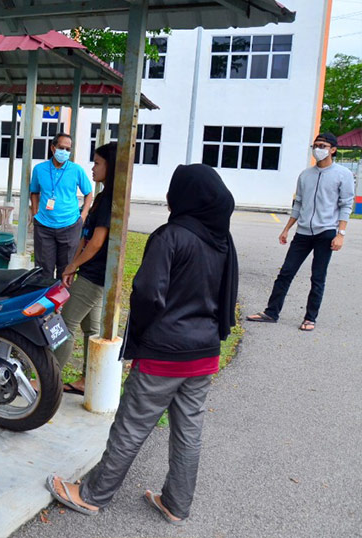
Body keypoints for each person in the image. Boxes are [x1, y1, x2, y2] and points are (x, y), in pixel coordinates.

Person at [46, 164, 238, 526]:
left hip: (165, 353)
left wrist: (145, 336)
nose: (168, 196)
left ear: (184, 196)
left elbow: (148, 293)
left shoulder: (171, 236)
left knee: (131, 427)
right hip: (204, 353)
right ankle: (176, 504)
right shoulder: (221, 240)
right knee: (189, 432)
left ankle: (92, 495)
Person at [246, 133, 353, 331]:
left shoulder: (342, 174)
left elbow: (346, 205)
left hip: (326, 232)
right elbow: (299, 204)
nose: (318, 149)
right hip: (303, 233)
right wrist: (286, 229)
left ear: (333, 149)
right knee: (286, 272)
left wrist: (341, 234)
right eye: (315, 145)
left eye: (322, 146)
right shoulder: (305, 175)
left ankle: (310, 318)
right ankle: (271, 312)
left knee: (317, 277)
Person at [54, 142, 117, 396]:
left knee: (65, 325)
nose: (93, 168)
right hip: (90, 271)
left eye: (98, 163)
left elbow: (97, 243)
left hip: (95, 275)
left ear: (111, 166)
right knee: (92, 330)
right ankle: (86, 381)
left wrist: (73, 265)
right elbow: (86, 236)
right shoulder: (102, 197)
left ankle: (49, 380)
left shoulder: (111, 200)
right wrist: (74, 264)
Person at [30, 133, 93, 280]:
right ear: (53, 148)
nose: (64, 152)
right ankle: (45, 295)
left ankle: (62, 296)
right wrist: (35, 213)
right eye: (61, 148)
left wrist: (83, 216)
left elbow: (89, 193)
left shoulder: (76, 170)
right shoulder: (39, 169)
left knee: (65, 270)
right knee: (43, 270)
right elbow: (34, 192)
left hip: (70, 225)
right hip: (44, 225)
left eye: (68, 149)